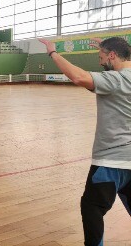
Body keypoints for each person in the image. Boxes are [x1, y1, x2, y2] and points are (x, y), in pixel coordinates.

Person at [39, 37, 131, 246]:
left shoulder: (117, 80)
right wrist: (107, 46)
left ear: (112, 55)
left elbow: (78, 77)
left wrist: (52, 52)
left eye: (101, 57)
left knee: (92, 207)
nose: (100, 62)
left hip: (111, 161)